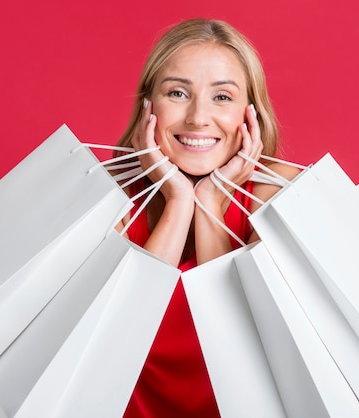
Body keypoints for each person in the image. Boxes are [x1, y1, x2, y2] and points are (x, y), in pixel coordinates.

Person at [114, 18, 299, 417]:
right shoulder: (108, 193)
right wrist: (179, 200)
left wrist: (210, 203)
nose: (198, 118)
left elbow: (241, 357)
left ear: (250, 112)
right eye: (178, 93)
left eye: (222, 97)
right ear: (149, 105)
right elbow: (113, 346)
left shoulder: (282, 194)